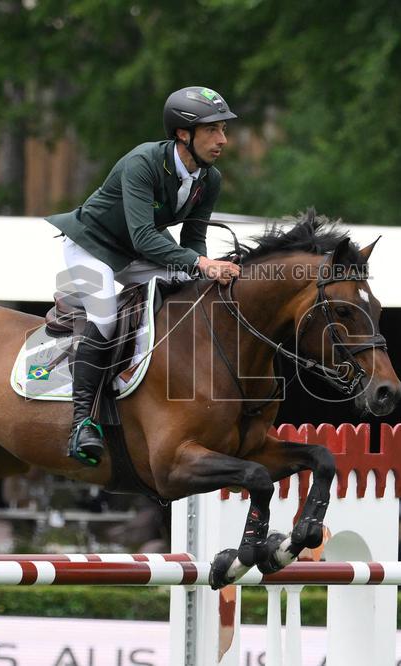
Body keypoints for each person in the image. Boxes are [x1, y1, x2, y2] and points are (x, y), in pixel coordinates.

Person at [46, 86, 242, 467]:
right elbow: (145, 235)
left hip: (138, 252)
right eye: (213, 130)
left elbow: (193, 239)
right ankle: (83, 422)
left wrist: (204, 270)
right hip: (91, 246)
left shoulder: (210, 178)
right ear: (183, 134)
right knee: (103, 318)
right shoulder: (143, 162)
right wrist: (202, 264)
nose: (223, 140)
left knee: (193, 292)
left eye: (223, 130)